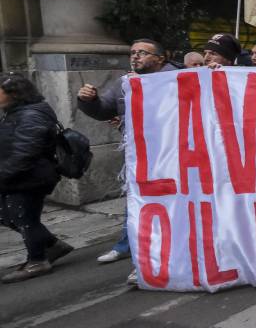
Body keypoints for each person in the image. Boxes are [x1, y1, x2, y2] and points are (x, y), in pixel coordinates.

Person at [77, 39, 176, 267]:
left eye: (142, 52)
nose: (135, 56)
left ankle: (160, 256)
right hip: (139, 154)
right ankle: (129, 247)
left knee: (169, 204)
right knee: (137, 200)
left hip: (172, 154)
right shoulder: (124, 83)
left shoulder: (179, 80)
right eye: (132, 52)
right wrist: (88, 101)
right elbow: (103, 110)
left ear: (160, 58)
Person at [0, 74, 73, 283]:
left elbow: (25, 153)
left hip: (30, 177)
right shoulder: (14, 112)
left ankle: (38, 261)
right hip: (16, 177)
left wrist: (4, 174)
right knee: (9, 216)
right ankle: (53, 245)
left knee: (25, 219)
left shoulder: (31, 115)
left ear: (14, 93)